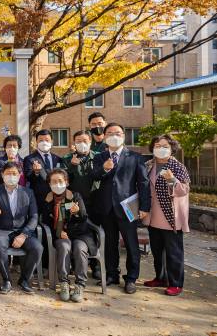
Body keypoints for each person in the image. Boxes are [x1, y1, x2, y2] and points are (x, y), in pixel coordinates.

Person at [93, 123, 150, 294]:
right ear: (104, 136)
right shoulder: (100, 157)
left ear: (123, 135)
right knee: (110, 244)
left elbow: (144, 184)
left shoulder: (135, 157)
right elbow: (94, 176)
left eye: (117, 133)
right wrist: (104, 169)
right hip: (106, 208)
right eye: (109, 133)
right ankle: (112, 274)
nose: (113, 135)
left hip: (128, 207)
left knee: (131, 244)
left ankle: (131, 278)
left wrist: (145, 206)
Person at [143, 134, 190, 296]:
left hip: (171, 217)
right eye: (157, 145)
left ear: (172, 149)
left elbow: (183, 191)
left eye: (165, 146)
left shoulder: (177, 167)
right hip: (152, 215)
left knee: (174, 252)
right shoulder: (149, 165)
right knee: (157, 251)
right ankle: (161, 277)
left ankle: (176, 283)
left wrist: (172, 180)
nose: (160, 149)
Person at [0, 162, 43, 294]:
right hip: (1, 230)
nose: (11, 176)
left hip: (22, 231)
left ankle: (24, 279)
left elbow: (34, 217)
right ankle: (6, 280)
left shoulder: (28, 192)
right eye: (8, 173)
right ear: (2, 175)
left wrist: (23, 235)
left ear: (20, 175)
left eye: (14, 173)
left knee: (37, 248)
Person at [42, 169, 96, 303]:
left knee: (79, 248)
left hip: (80, 235)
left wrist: (77, 212)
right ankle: (64, 283)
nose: (57, 184)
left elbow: (84, 217)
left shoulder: (75, 196)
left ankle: (79, 285)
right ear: (49, 184)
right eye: (53, 182)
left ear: (66, 182)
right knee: (64, 247)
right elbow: (45, 222)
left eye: (60, 181)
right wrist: (58, 232)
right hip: (60, 236)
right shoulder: (47, 199)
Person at [62, 130, 101, 280]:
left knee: (94, 233)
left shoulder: (98, 157)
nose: (82, 144)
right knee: (74, 230)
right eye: (78, 141)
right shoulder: (67, 158)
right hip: (73, 202)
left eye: (85, 140)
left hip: (95, 202)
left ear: (90, 142)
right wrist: (72, 166)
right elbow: (63, 180)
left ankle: (95, 265)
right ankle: (73, 264)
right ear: (74, 143)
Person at [23, 129, 65, 212]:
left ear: (52, 141)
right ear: (36, 142)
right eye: (41, 140)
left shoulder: (58, 158)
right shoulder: (29, 159)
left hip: (57, 197)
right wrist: (36, 172)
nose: (44, 142)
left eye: (47, 140)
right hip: (39, 198)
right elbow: (28, 177)